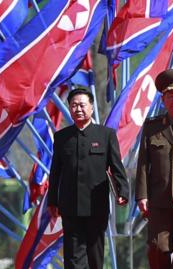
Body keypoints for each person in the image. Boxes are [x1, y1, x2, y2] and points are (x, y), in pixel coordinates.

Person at [47, 88, 129, 269]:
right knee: (73, 259)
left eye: (82, 105)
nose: (78, 109)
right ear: (69, 108)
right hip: (70, 206)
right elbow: (55, 172)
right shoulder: (62, 137)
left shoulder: (106, 135)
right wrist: (52, 201)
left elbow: (116, 167)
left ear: (91, 107)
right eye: (74, 105)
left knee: (95, 256)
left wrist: (123, 191)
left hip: (97, 206)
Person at [135, 69, 173, 269]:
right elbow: (144, 163)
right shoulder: (152, 127)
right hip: (159, 197)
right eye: (171, 96)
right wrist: (141, 195)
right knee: (157, 247)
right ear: (163, 100)